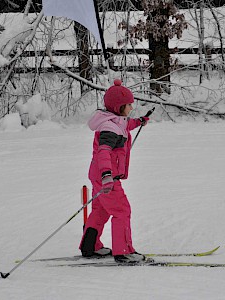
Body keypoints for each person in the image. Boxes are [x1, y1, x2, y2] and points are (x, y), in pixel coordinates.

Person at [79, 79, 150, 263]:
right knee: (122, 210)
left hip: (99, 177)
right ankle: (123, 251)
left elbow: (126, 125)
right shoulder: (109, 129)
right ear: (119, 107)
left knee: (100, 211)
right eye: (129, 105)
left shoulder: (115, 121)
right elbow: (104, 152)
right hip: (106, 177)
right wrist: (107, 176)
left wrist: (139, 122)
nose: (132, 108)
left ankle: (90, 246)